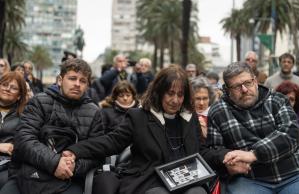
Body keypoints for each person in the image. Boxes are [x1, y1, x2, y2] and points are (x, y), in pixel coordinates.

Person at [63, 65, 212, 194]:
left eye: (180, 95)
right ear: (159, 92)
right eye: (170, 93)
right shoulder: (139, 117)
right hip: (150, 181)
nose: (175, 100)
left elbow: (202, 150)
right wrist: (76, 150)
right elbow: (111, 142)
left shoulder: (190, 117)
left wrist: (225, 157)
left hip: (186, 180)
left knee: (197, 192)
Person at [205, 62, 299, 194]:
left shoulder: (277, 100)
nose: (244, 90)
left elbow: (290, 135)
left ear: (255, 81)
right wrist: (227, 163)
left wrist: (253, 154)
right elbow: (214, 150)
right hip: (249, 179)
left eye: (248, 83)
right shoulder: (218, 112)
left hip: (293, 174)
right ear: (227, 90)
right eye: (236, 87)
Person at [0, 59, 104, 194]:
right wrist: (55, 163)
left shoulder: (94, 112)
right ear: (60, 80)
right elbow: (24, 139)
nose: (77, 84)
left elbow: (97, 152)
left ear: (87, 86)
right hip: (29, 173)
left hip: (69, 178)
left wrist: (73, 167)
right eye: (72, 78)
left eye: (83, 81)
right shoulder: (39, 102)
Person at [0, 72, 27, 188]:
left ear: (19, 95)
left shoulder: (26, 115)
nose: (7, 89)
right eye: (4, 84)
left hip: (9, 163)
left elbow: (26, 143)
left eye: (13, 88)